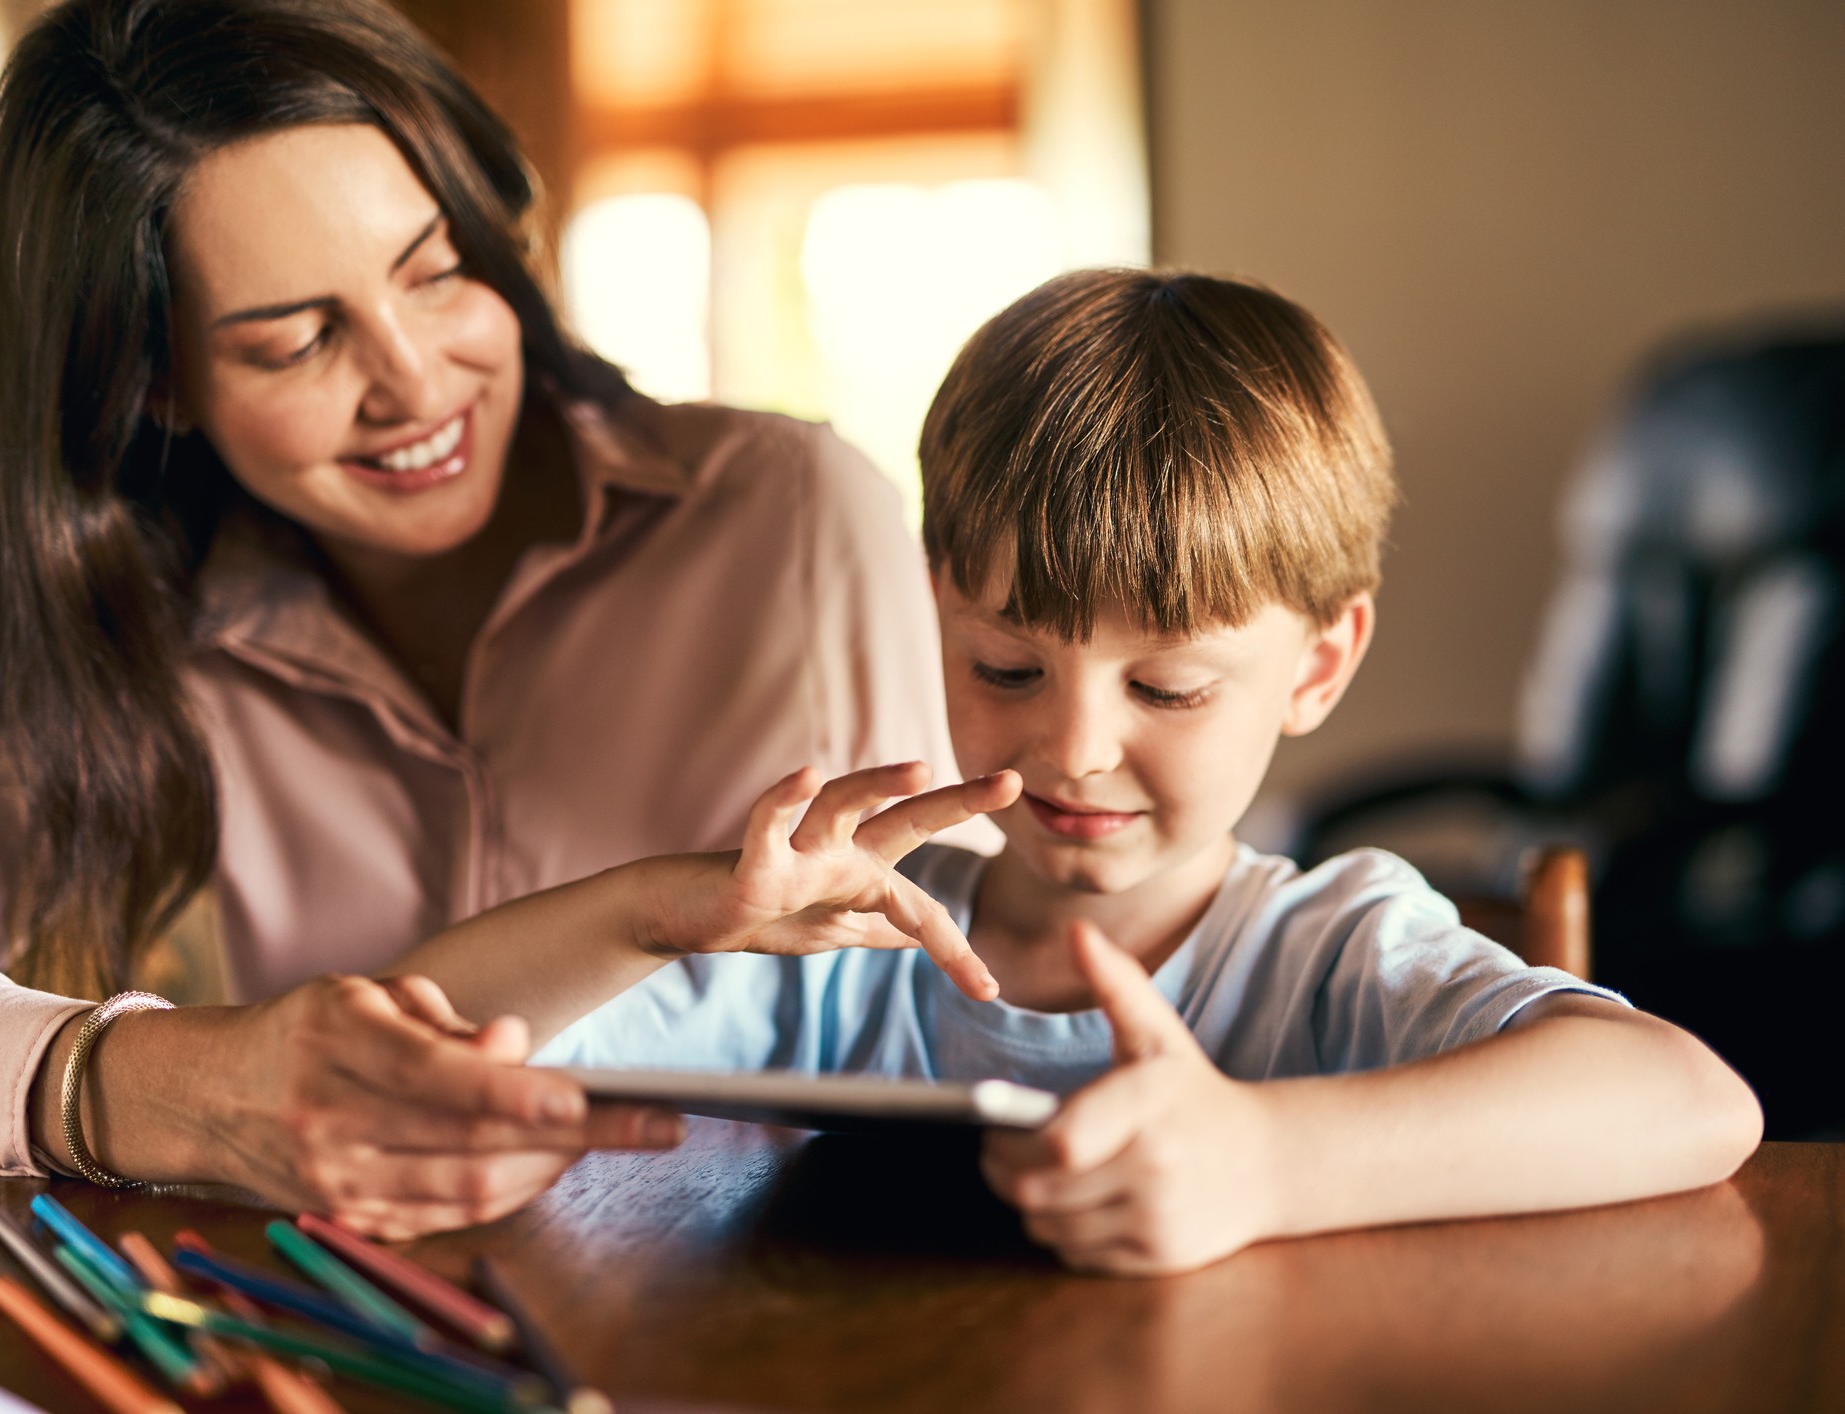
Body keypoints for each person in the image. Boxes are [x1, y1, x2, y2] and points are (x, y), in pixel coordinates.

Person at [0, 0, 1004, 1238]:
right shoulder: (138, 645)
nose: (413, 380)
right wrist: (171, 1086)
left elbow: (959, 981)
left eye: (435, 271)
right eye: (296, 343)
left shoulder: (788, 518)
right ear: (158, 384)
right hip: (350, 1321)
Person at [441, 269, 1764, 1273]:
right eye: (1004, 670)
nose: (1069, 747)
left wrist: (1262, 1163)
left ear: (1313, 666)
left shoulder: (1329, 949)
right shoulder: (855, 942)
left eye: (1166, 686)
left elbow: (1691, 1103)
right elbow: (422, 1034)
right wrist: (666, 908)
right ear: (934, 616)